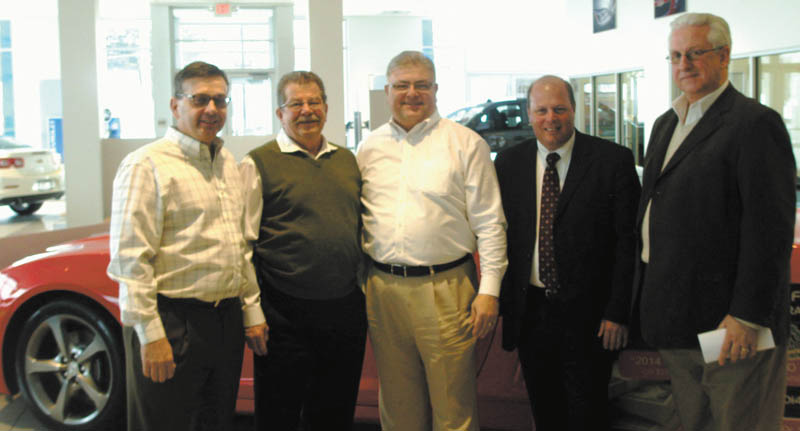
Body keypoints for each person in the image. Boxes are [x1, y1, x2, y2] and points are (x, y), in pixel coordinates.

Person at [633, 13, 795, 431]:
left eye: (694, 53)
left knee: (740, 422)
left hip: (731, 326)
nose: (683, 64)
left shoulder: (755, 124)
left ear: (724, 56)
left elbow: (769, 230)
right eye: (675, 56)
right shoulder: (666, 124)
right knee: (695, 423)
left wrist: (746, 316)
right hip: (677, 320)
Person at [107, 61, 268, 431]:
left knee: (215, 421)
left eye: (220, 100)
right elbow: (131, 260)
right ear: (175, 105)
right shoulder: (145, 165)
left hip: (224, 323)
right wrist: (151, 336)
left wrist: (250, 312)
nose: (212, 109)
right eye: (199, 99)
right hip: (173, 323)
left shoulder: (226, 162)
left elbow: (238, 246)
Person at [357, 50, 508, 431]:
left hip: (447, 290)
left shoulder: (466, 144)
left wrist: (489, 290)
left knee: (453, 409)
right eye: (402, 85)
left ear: (436, 89)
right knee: (397, 407)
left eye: (421, 85)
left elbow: (490, 223)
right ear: (387, 90)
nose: (412, 93)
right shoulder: (369, 148)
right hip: (383, 291)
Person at [494, 76, 640, 431]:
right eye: (541, 110)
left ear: (574, 110)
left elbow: (629, 243)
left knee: (587, 413)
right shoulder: (509, 164)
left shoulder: (612, 161)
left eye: (559, 109)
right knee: (545, 411)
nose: (551, 118)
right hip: (532, 313)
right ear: (528, 114)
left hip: (591, 318)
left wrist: (617, 312)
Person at [240, 71, 367, 431]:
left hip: (343, 312)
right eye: (296, 103)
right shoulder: (257, 163)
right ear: (280, 113)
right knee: (279, 415)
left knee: (334, 413)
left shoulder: (347, 161)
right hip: (283, 314)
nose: (307, 111)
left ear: (326, 108)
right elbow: (242, 244)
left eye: (314, 102)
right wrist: (252, 313)